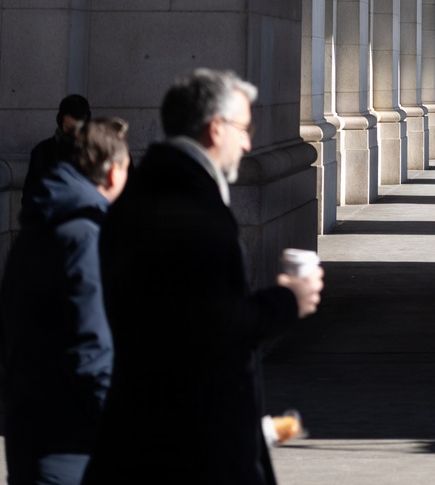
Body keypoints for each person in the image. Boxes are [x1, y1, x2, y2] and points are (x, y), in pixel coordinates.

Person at [83, 68, 322, 485]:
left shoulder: (149, 190)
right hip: (186, 447)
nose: (248, 142)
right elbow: (213, 327)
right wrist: (289, 300)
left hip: (146, 435)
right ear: (216, 128)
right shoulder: (190, 206)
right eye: (244, 129)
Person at [1, 118, 129, 485]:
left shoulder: (37, 230)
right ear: (112, 171)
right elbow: (91, 351)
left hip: (31, 433)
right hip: (70, 443)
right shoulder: (84, 236)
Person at [23, 94, 92, 205]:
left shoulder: (99, 152)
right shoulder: (42, 152)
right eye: (69, 128)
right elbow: (29, 198)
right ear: (61, 123)